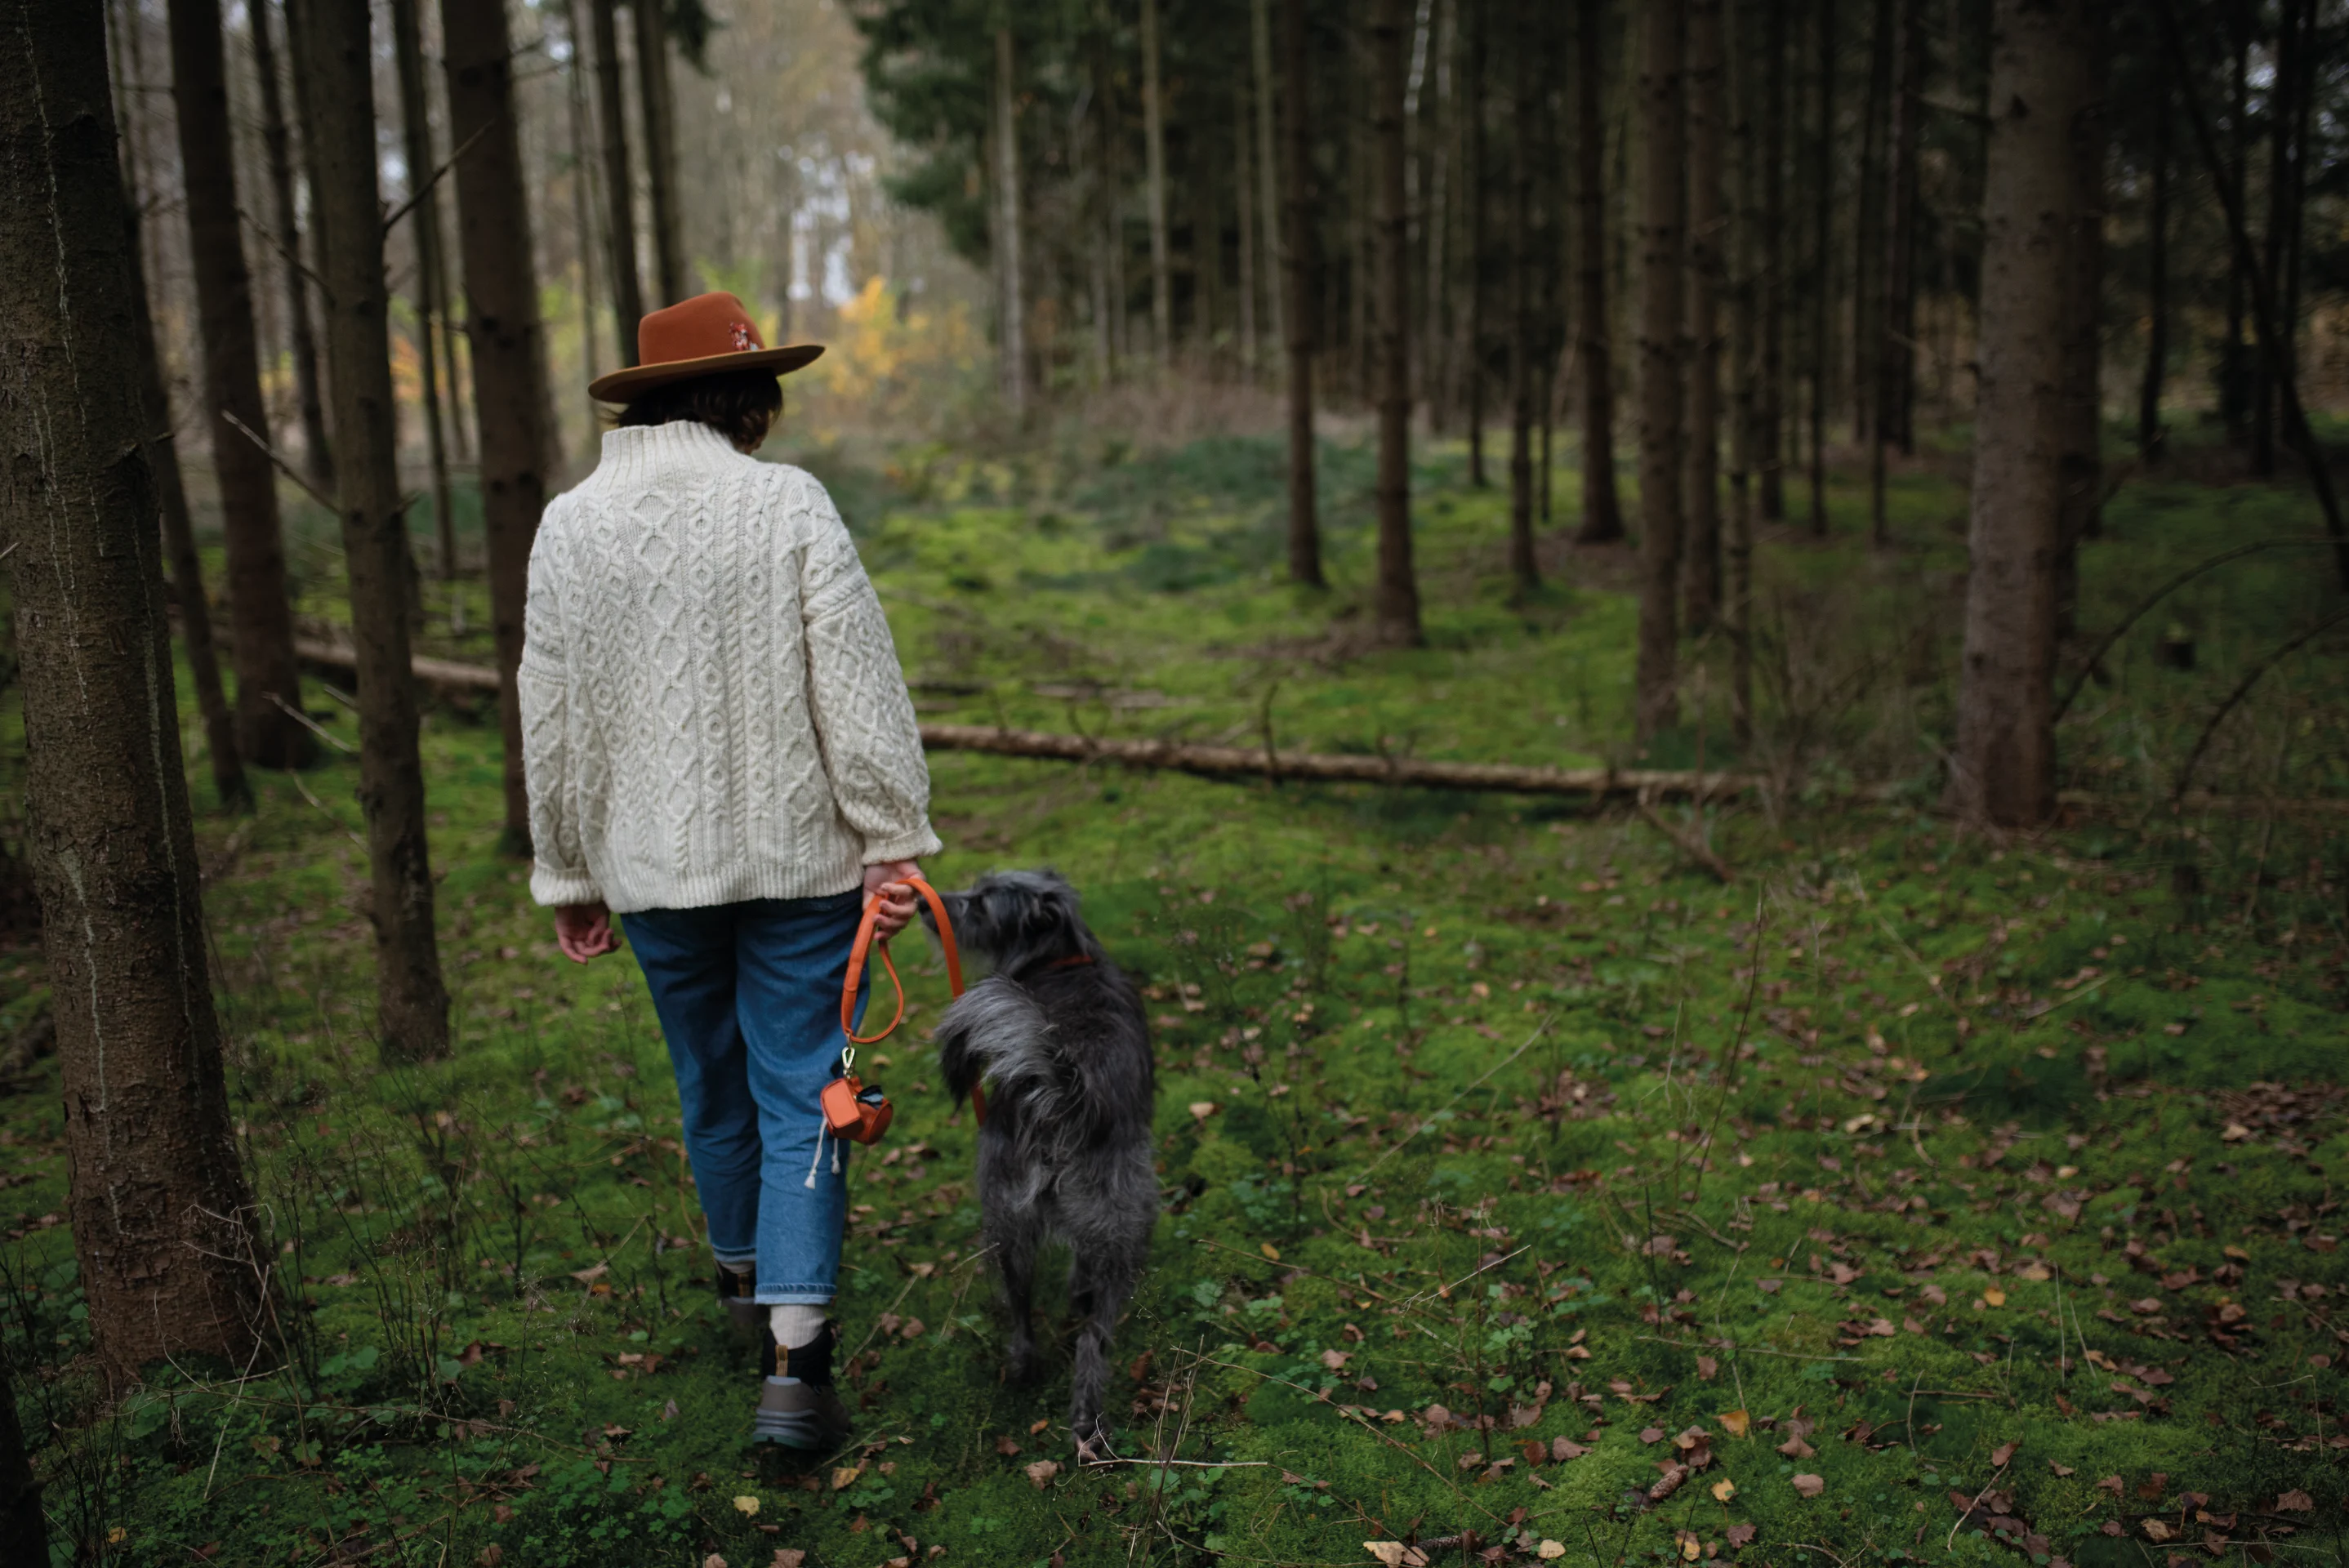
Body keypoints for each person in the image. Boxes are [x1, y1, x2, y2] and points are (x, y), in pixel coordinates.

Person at [519, 291, 939, 1450]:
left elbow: (548, 718)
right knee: (804, 1088)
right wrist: (891, 836)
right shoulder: (787, 503)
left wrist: (569, 870)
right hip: (803, 863)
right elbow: (855, 684)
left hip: (650, 874)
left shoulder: (568, 524)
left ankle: (749, 1275)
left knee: (711, 1084)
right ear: (742, 398)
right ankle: (797, 1372)